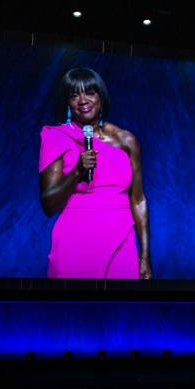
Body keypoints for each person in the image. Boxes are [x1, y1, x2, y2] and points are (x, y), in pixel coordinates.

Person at [39, 68, 151, 279]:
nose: (82, 100)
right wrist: (77, 172)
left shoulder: (126, 140)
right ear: (68, 103)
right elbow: (48, 204)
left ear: (101, 96)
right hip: (74, 242)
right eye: (74, 95)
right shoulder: (56, 137)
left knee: (121, 310)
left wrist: (145, 254)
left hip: (120, 239)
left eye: (89, 92)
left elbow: (138, 200)